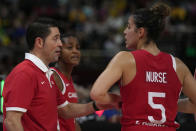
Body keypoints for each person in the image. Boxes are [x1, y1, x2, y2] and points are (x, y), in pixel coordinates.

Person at [90, 2, 196, 131]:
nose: (124, 32)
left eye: (128, 27)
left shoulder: (125, 59)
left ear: (140, 32)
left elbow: (97, 93)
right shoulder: (178, 65)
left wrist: (122, 101)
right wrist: (169, 103)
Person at [3, 17, 111, 131]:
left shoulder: (47, 73)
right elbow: (12, 121)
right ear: (39, 42)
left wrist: (97, 105)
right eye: (55, 39)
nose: (60, 44)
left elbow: (66, 110)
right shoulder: (24, 73)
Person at [49, 34, 82, 131]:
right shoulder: (53, 77)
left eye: (78, 48)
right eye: (70, 47)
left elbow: (73, 120)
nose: (75, 51)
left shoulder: (69, 79)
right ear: (58, 51)